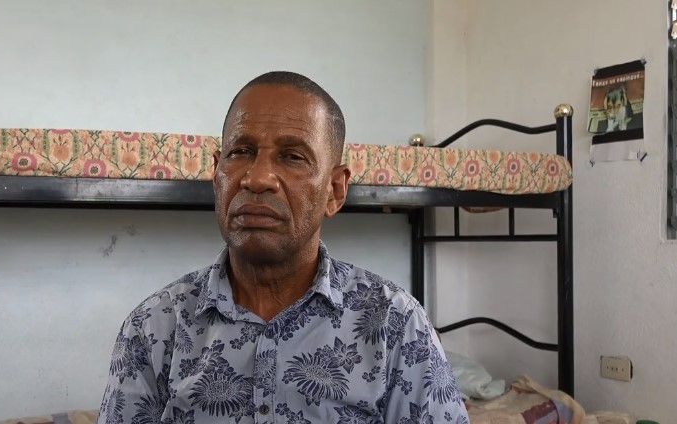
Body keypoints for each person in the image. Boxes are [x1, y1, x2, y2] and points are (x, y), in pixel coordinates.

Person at [96, 71, 469, 423]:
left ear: (335, 190)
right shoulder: (154, 327)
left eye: (293, 157)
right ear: (216, 174)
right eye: (241, 151)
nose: (257, 178)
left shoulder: (396, 324)